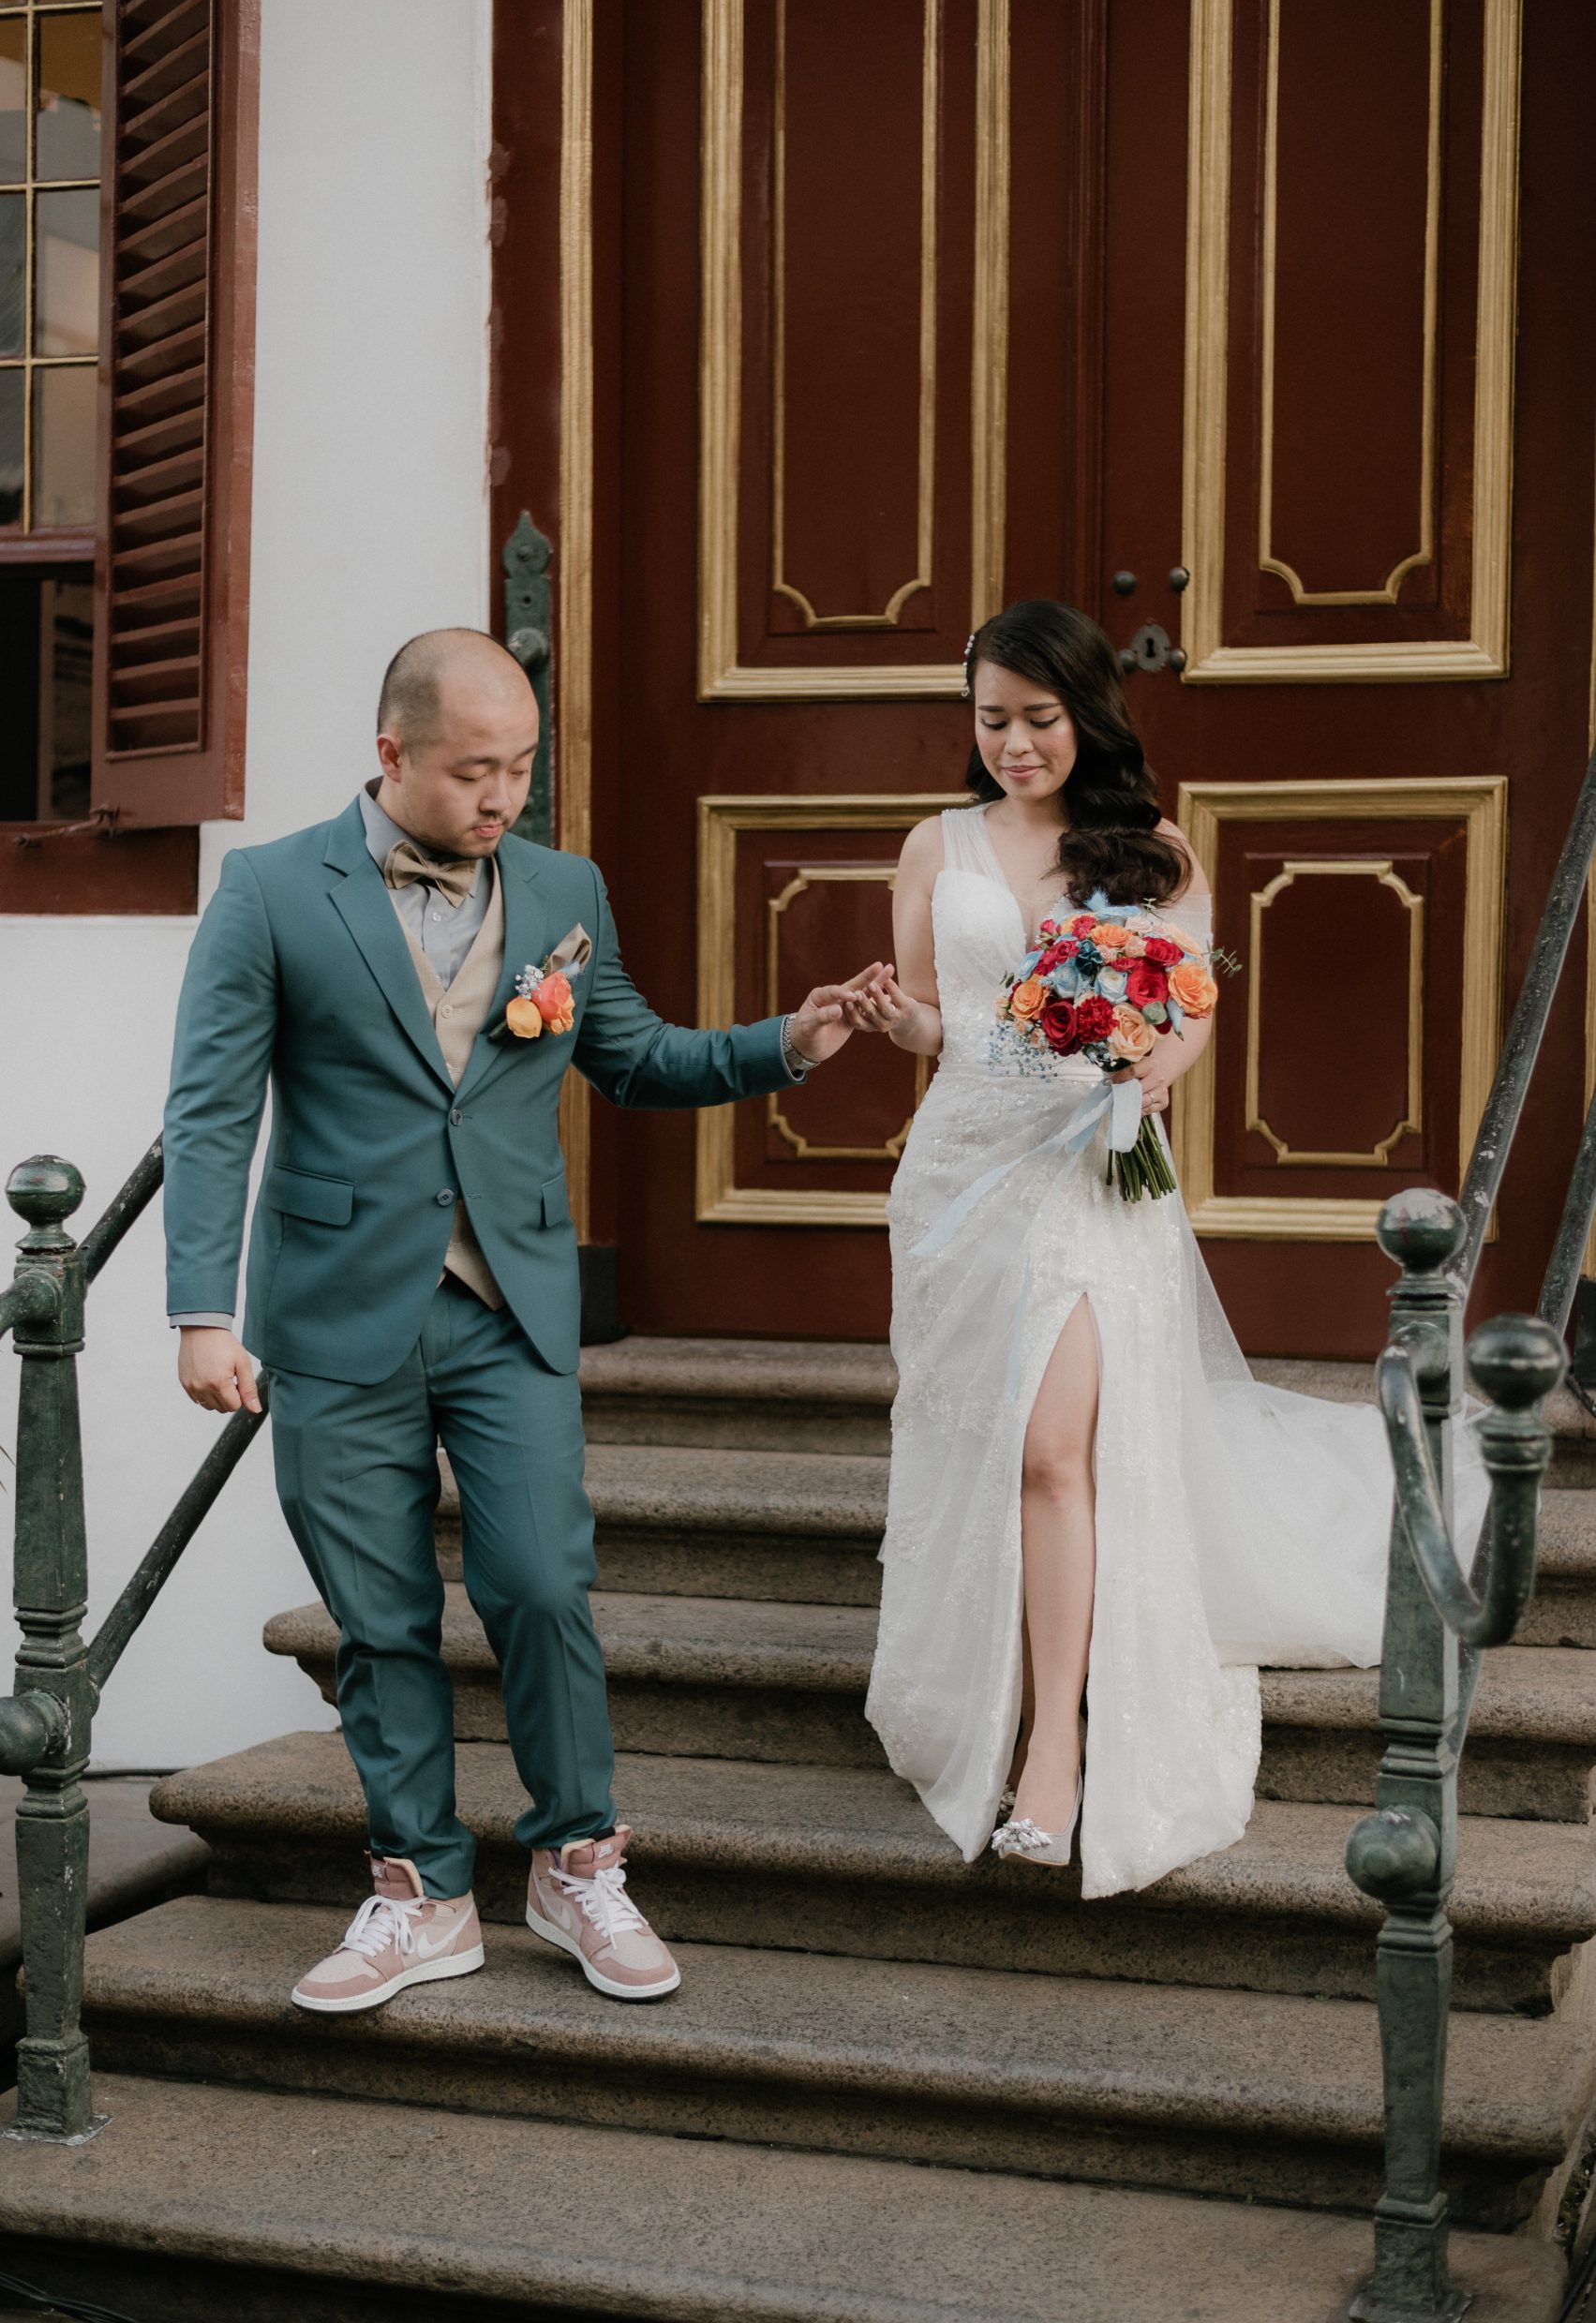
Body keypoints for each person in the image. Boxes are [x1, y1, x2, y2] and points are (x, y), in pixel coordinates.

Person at [164, 627, 881, 2009]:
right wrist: (203, 1311)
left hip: (509, 1308)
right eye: (474, 772)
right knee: (378, 1616)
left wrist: (787, 1043)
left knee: (544, 1585)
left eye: (521, 768)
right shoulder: (269, 891)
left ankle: (576, 1865)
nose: (503, 798)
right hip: (333, 1313)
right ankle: (422, 1893)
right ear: (392, 754)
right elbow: (209, 1113)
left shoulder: (564, 889)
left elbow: (637, 1056)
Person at [847, 599, 1485, 1896]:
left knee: (1052, 1451)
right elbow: (940, 1020)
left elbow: (1187, 1010)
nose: (1015, 745)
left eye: (1039, 719)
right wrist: (893, 1020)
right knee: (989, 1444)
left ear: (1087, 714)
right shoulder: (933, 844)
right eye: (992, 720)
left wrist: (1147, 1074)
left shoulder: (1153, 854)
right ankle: (990, 1681)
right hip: (962, 1177)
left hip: (1092, 1170)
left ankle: (1056, 1747)